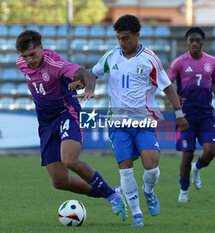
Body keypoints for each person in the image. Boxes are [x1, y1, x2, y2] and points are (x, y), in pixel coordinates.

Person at [72, 15, 189, 226]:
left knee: (151, 168)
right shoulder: (111, 57)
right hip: (118, 124)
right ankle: (137, 214)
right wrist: (83, 83)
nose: (121, 43)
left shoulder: (150, 59)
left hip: (144, 123)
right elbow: (92, 74)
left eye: (125, 38)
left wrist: (179, 113)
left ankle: (149, 191)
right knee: (125, 169)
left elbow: (167, 87)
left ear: (137, 35)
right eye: (118, 38)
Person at [15, 30, 127, 221]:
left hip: (66, 113)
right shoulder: (21, 63)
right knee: (59, 181)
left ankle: (111, 196)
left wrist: (89, 89)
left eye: (33, 54)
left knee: (70, 161)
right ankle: (112, 191)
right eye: (25, 56)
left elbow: (86, 74)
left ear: (42, 48)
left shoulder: (55, 64)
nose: (29, 60)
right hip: (45, 122)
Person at [166, 27, 215, 203]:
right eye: (192, 40)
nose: (195, 43)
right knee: (187, 154)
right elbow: (166, 84)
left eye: (198, 40)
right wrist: (177, 106)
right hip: (186, 114)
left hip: (206, 114)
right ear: (187, 42)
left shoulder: (212, 61)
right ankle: (184, 190)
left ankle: (196, 168)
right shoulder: (179, 62)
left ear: (203, 42)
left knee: (210, 151)